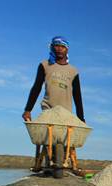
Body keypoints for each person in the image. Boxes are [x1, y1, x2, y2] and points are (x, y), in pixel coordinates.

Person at [22, 36, 85, 178]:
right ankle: (46, 162)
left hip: (66, 112)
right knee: (48, 138)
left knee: (66, 139)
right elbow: (36, 87)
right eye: (56, 46)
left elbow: (77, 95)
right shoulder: (45, 65)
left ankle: (66, 162)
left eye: (62, 46)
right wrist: (28, 109)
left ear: (67, 49)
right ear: (52, 48)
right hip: (48, 109)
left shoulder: (73, 71)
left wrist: (81, 118)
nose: (59, 49)